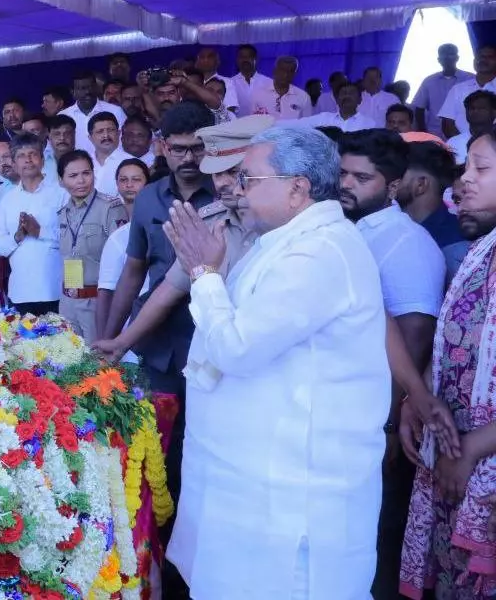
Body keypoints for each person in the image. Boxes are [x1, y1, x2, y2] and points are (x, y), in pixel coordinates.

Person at [165, 126, 390, 600]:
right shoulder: (283, 241)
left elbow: (238, 347)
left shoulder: (320, 252)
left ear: (297, 187)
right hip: (253, 481)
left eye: (250, 179)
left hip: (293, 491)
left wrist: (204, 274)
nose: (237, 190)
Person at [337, 129, 447, 600]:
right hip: (343, 413)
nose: (347, 184)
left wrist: (386, 424)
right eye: (343, 172)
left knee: (374, 545)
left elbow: (414, 340)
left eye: (362, 177)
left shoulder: (410, 245)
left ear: (395, 185)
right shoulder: (348, 230)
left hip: (376, 422)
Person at [399, 128, 496, 599]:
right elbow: (456, 343)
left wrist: (478, 445)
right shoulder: (482, 251)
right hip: (454, 454)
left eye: (482, 168)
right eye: (466, 168)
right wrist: (417, 400)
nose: (464, 182)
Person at [94, 114, 273, 365]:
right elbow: (170, 287)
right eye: (217, 174)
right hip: (192, 351)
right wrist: (120, 342)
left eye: (233, 172)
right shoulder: (209, 220)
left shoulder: (282, 224)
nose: (223, 184)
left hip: (258, 358)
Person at [0, 133, 68, 316]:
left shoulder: (61, 194)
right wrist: (17, 236)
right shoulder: (8, 200)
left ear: (42, 160)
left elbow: (73, 239)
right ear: (15, 164)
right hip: (21, 292)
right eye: (21, 156)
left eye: (33, 154)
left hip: (55, 291)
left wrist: (39, 231)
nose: (28, 160)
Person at [56, 150, 127, 342]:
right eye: (73, 175)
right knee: (68, 358)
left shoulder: (110, 208)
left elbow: (122, 258)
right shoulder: (63, 213)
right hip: (68, 300)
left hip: (96, 301)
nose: (81, 180)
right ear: (61, 180)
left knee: (97, 362)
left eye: (86, 173)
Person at [397, 140, 469, 283]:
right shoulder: (398, 229)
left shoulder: (454, 244)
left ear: (421, 184)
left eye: (398, 174)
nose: (390, 180)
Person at [97, 159, 152, 339]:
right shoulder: (117, 231)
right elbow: (106, 291)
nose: (129, 185)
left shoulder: (158, 223)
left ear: (148, 182)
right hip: (124, 322)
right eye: (123, 180)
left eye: (136, 179)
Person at [413, 44, 474, 136]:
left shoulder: (470, 79)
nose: (447, 57)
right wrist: (423, 133)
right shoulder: (429, 81)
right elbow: (419, 108)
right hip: (434, 134)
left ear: (457, 58)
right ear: (439, 59)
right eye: (443, 54)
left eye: (450, 54)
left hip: (464, 132)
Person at [439, 44, 496, 140]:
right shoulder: (457, 89)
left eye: (489, 57)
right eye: (480, 57)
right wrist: (465, 145)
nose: (483, 60)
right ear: (474, 61)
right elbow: (447, 123)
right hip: (462, 150)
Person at [62, 71, 126, 153]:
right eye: (82, 88)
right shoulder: (64, 115)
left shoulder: (115, 111)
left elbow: (124, 142)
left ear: (96, 87)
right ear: (73, 92)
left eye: (90, 87)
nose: (87, 92)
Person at [285, 80, 376, 132]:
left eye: (351, 93)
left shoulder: (369, 124)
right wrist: (271, 122)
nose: (347, 96)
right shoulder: (324, 119)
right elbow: (297, 124)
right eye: (343, 93)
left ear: (360, 100)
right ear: (336, 99)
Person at [246, 55, 311, 120]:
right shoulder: (258, 93)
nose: (286, 75)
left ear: (295, 74)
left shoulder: (303, 96)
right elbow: (252, 122)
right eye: (282, 70)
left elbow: (306, 125)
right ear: (274, 71)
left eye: (290, 71)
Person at [449, 89, 496, 164]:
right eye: (472, 108)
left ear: (494, 112)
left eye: (481, 108)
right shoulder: (453, 143)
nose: (475, 111)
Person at [87, 112, 128, 197]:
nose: (106, 135)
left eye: (110, 130)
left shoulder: (131, 162)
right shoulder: (83, 162)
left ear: (119, 133)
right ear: (90, 137)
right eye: (100, 131)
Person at [227, 44, 274, 117]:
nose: (245, 59)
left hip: (263, 126)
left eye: (249, 56)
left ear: (256, 59)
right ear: (237, 60)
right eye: (242, 57)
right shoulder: (229, 83)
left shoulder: (269, 82)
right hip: (238, 127)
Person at [21, 114, 59, 181]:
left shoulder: (59, 150)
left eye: (34, 131)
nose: (30, 136)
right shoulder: (20, 158)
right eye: (27, 133)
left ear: (46, 131)